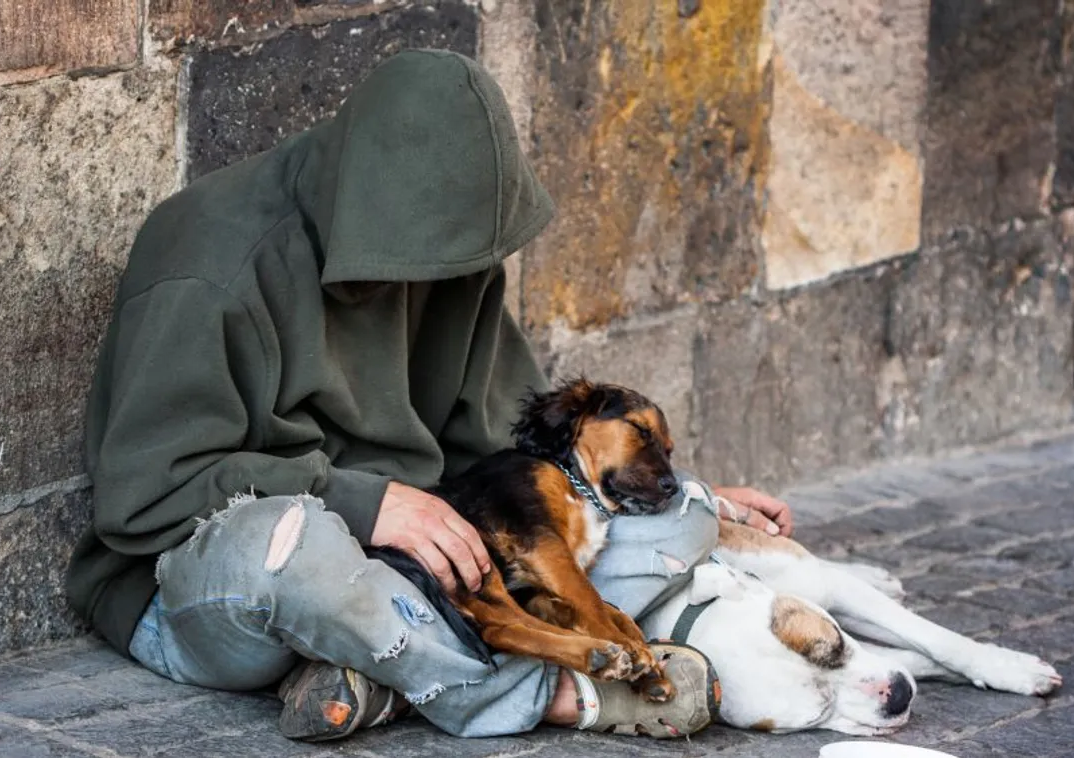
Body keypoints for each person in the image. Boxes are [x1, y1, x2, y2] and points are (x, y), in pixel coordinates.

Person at [65, 49, 793, 742]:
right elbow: (145, 495)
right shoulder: (210, 267)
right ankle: (551, 694)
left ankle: (381, 673)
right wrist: (367, 502)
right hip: (210, 591)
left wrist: (658, 488)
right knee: (293, 547)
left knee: (680, 518)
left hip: (427, 572)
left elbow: (509, 461)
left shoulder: (458, 258)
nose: (454, 281)